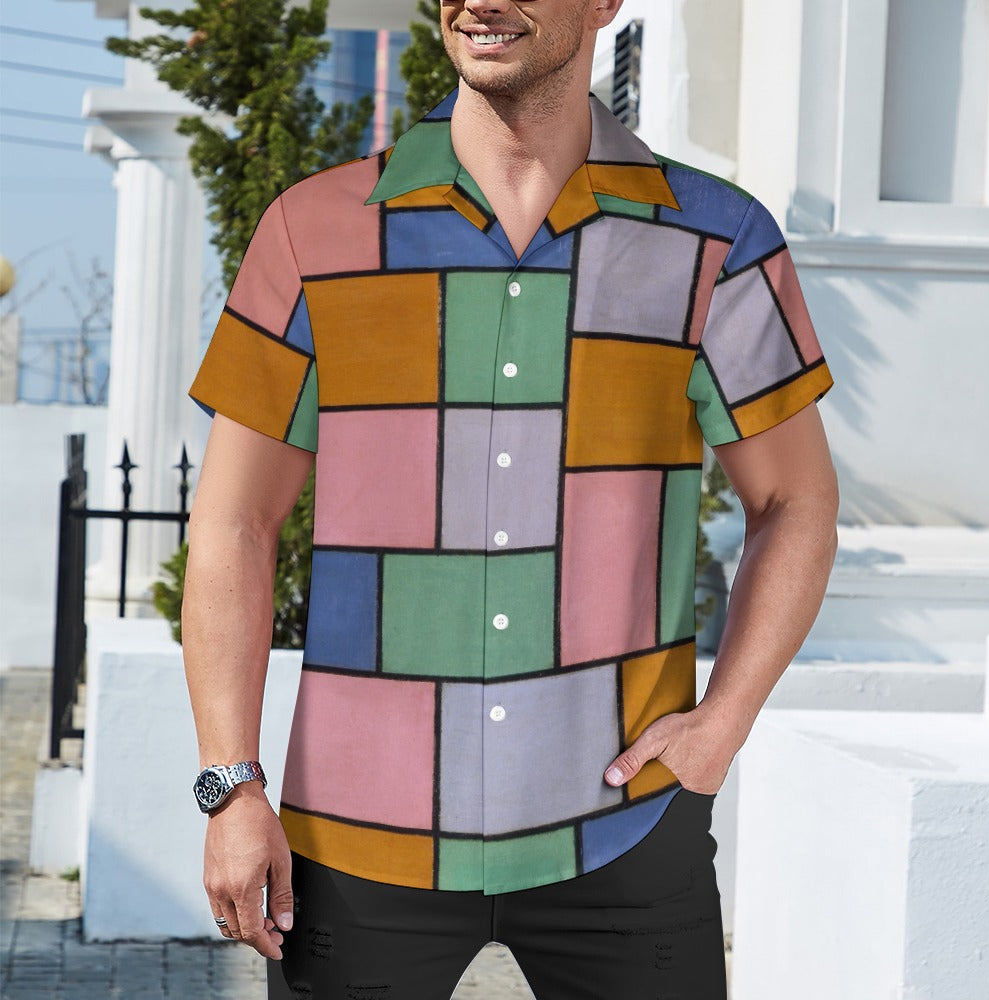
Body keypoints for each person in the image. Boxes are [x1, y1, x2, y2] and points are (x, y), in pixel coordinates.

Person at [183, 1, 839, 996]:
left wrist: (722, 724)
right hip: (357, 838)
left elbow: (795, 501)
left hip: (622, 830)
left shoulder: (717, 241)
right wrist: (231, 787)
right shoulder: (312, 231)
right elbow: (234, 520)